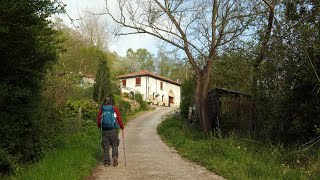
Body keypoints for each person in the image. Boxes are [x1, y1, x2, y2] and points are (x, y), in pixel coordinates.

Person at [97, 97, 124, 167]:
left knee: (106, 146)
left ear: (105, 102)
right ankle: (115, 157)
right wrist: (122, 127)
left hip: (105, 130)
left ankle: (106, 162)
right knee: (115, 144)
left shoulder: (102, 109)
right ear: (111, 102)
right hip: (113, 130)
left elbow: (98, 120)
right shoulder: (114, 109)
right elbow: (119, 119)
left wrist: (100, 126)